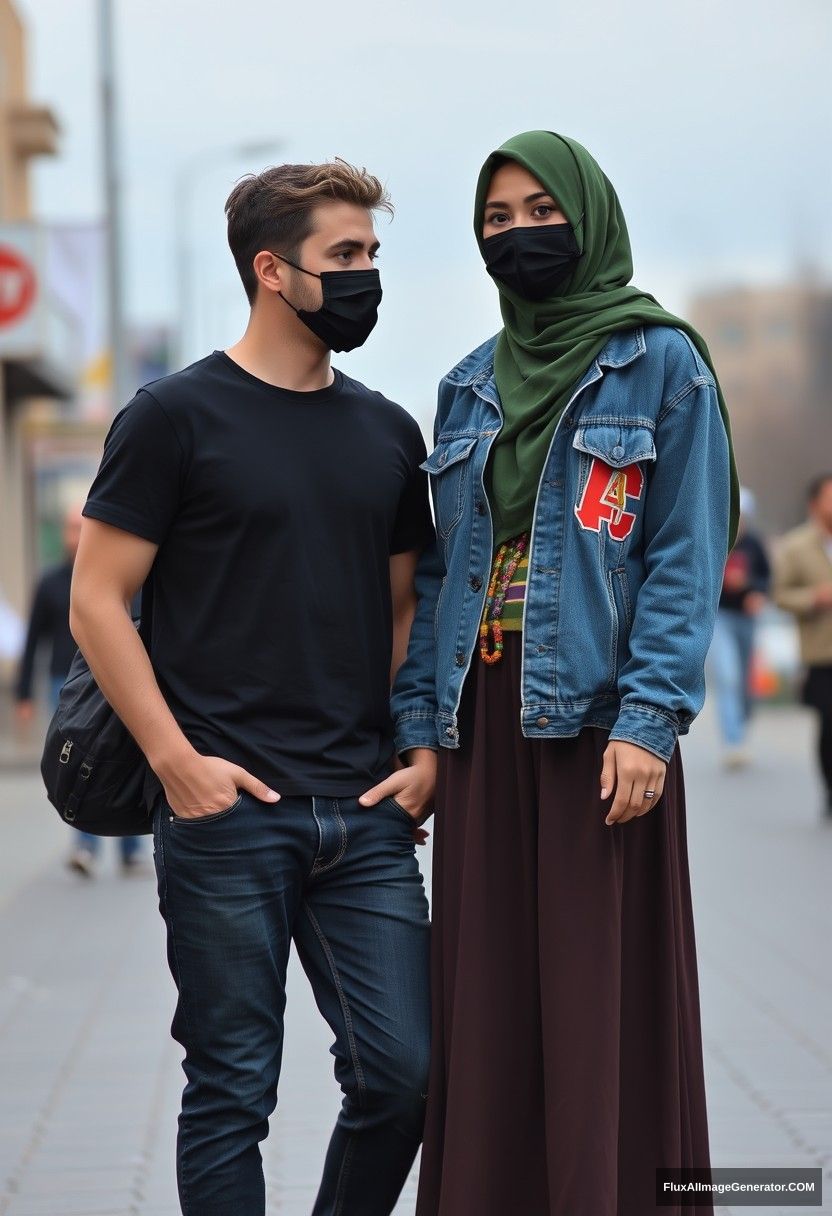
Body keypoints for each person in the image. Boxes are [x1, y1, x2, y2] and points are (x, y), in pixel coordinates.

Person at [69, 159, 438, 1216]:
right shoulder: (173, 415)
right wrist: (176, 763)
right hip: (227, 813)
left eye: (372, 254)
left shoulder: (385, 432)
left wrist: (417, 750)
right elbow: (97, 600)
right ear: (272, 270)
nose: (367, 275)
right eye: (345, 257)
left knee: (402, 1077)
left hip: (363, 814)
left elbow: (403, 608)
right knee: (232, 1088)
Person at [392, 130, 738, 1216]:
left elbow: (685, 553)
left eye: (542, 211)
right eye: (496, 220)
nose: (519, 234)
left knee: (597, 994)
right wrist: (421, 735)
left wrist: (648, 721)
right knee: (487, 999)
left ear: (587, 218)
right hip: (483, 725)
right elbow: (442, 568)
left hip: (596, 727)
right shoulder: (464, 385)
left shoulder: (661, 360)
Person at [15, 503, 144, 875]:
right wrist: (23, 693)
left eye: (82, 526)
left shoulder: (125, 576)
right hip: (64, 682)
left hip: (113, 678)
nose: (78, 535)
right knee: (80, 753)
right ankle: (85, 842)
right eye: (72, 528)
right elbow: (32, 640)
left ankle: (128, 847)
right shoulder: (51, 583)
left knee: (122, 753)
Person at [772, 473, 832, 818]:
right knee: (830, 724)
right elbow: (780, 596)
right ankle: (829, 787)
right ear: (814, 504)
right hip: (822, 653)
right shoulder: (796, 547)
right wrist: (813, 599)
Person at [707, 486, 771, 769]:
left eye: (743, 516)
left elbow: (767, 579)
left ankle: (742, 726)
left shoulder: (754, 544)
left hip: (747, 618)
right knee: (728, 677)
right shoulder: (714, 539)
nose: (738, 522)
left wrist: (755, 591)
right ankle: (733, 742)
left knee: (745, 682)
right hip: (719, 617)